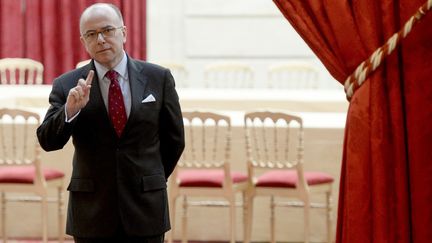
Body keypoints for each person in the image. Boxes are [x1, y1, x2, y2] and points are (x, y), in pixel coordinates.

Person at [36, 3, 185, 243]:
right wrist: (70, 110)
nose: (101, 39)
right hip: (91, 210)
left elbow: (174, 140)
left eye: (108, 30)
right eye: (91, 34)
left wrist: (150, 175)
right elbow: (48, 141)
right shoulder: (68, 84)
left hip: (145, 206)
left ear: (123, 32)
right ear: (83, 41)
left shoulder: (158, 78)